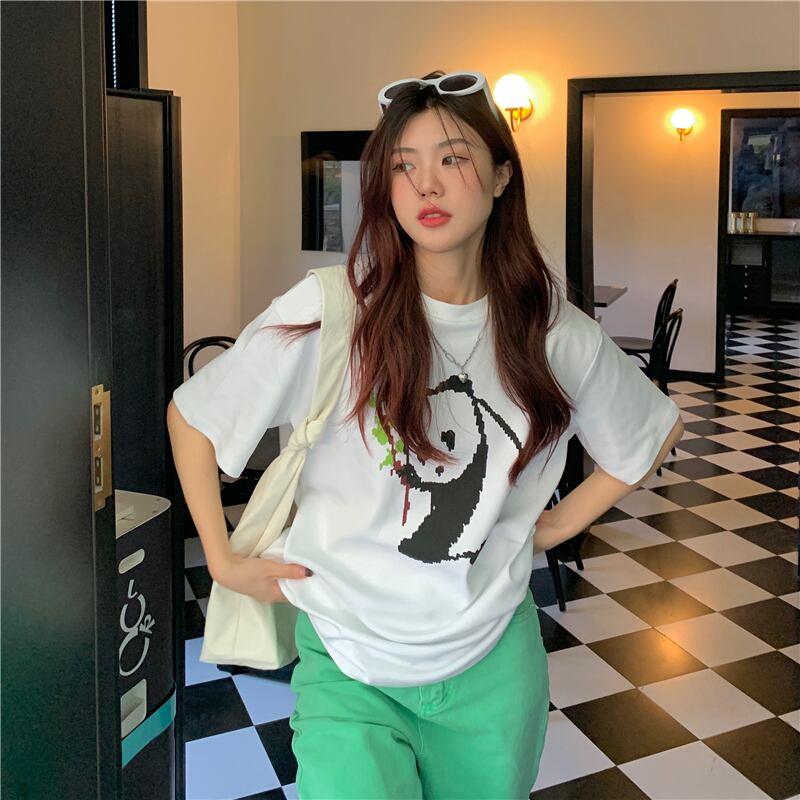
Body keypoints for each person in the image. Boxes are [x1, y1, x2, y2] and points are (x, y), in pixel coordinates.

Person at [167, 69, 684, 799]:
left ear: (501, 175)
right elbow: (193, 416)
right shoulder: (333, 311)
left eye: (452, 158)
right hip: (348, 663)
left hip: (491, 665)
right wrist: (220, 561)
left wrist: (552, 525)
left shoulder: (550, 331)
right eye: (402, 166)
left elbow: (651, 432)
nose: (426, 186)